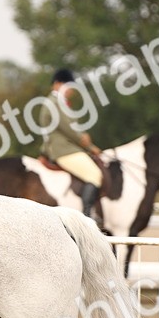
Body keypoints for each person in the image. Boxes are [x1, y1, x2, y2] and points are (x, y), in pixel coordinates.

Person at [40, 69, 102, 219]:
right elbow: (69, 130)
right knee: (95, 175)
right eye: (68, 87)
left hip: (66, 148)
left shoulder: (58, 102)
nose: (71, 91)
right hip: (63, 150)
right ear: (57, 84)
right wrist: (89, 146)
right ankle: (87, 217)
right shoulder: (54, 103)